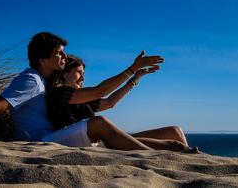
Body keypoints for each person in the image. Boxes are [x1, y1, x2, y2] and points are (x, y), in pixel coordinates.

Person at [0, 32, 188, 152]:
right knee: (99, 123)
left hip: (56, 139)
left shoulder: (44, 83)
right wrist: (131, 69)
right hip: (40, 143)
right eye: (59, 53)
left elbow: (107, 101)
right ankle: (150, 156)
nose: (64, 57)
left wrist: (135, 77)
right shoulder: (32, 80)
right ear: (43, 58)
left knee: (174, 140)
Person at [45, 55, 195, 152]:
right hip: (90, 143)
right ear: (64, 73)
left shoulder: (80, 100)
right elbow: (101, 91)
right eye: (79, 72)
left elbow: (110, 102)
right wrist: (133, 68)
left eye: (84, 74)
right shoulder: (60, 93)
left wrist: (136, 78)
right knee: (175, 147)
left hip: (101, 142)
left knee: (174, 131)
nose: (82, 78)